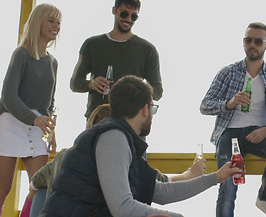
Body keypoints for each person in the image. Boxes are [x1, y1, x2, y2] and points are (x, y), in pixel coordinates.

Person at [40, 75, 239, 217]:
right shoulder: (113, 139)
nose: (152, 113)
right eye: (153, 107)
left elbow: (161, 191)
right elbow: (122, 207)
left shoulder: (124, 142)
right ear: (144, 109)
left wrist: (216, 177)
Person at [200, 22, 266, 217]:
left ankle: (264, 197)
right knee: (227, 186)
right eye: (248, 40)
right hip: (230, 132)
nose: (253, 44)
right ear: (243, 42)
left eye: (258, 41)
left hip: (260, 130)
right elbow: (204, 105)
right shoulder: (228, 72)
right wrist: (229, 103)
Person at [0, 3, 61, 216]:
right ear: (38, 22)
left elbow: (49, 104)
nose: (56, 26)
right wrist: (33, 119)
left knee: (40, 188)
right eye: (51, 20)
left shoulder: (53, 62)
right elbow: (8, 97)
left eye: (58, 22)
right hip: (11, 123)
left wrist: (50, 133)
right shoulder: (21, 55)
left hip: (38, 128)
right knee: (2, 188)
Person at [70, 0, 163, 119]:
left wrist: (136, 89)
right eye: (124, 14)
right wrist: (91, 84)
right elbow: (74, 83)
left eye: (134, 17)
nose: (128, 19)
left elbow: (157, 91)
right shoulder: (92, 44)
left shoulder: (148, 50)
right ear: (114, 10)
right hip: (98, 120)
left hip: (132, 123)